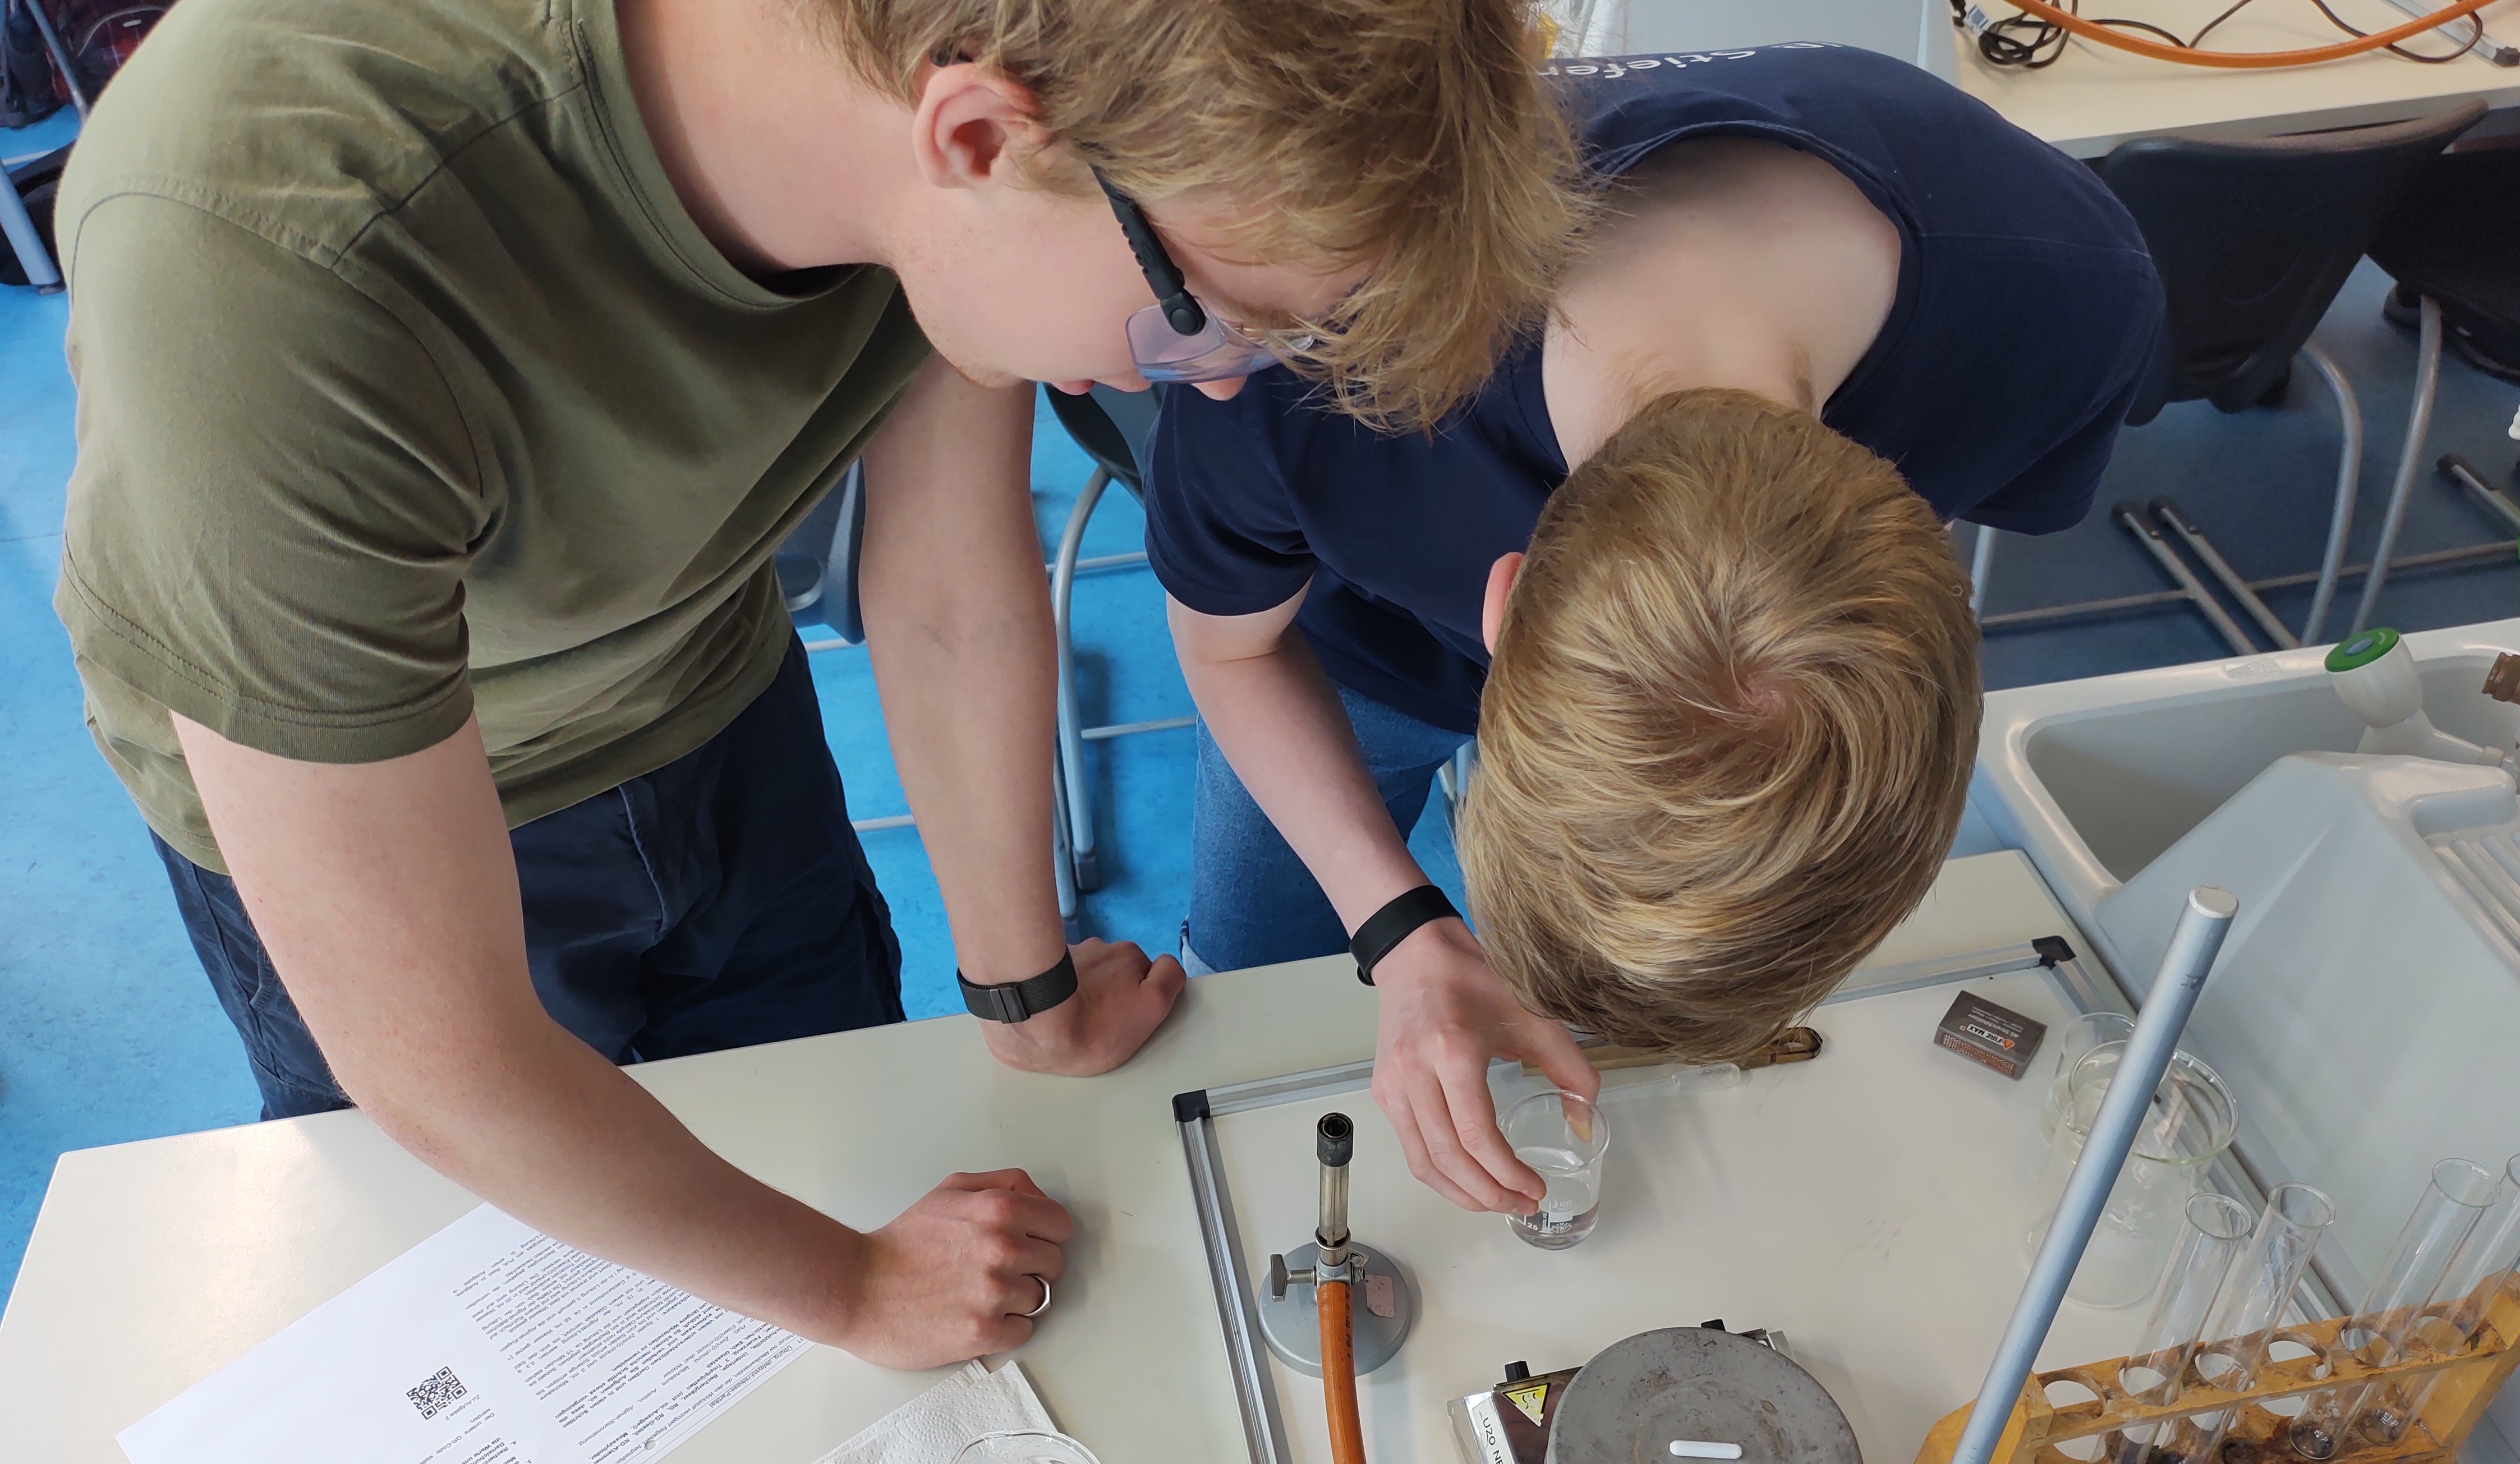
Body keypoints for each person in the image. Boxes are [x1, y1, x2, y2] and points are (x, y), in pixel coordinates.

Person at [50, 0, 1581, 1366]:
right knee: (477, 1287)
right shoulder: (273, 253)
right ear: (975, 138)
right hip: (382, 800)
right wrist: (848, 1287)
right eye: (1205, 327)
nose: (1226, 380)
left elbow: (948, 591)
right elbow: (439, 1064)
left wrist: (1023, 996)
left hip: (711, 695)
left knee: (835, 1142)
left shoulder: (976, 131)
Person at [1144, 42, 2165, 1217]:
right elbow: (1229, 646)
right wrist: (1397, 924)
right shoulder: (1301, 345)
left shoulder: (2070, 299)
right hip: (1336, 656)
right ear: (1501, 603)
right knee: (1248, 989)